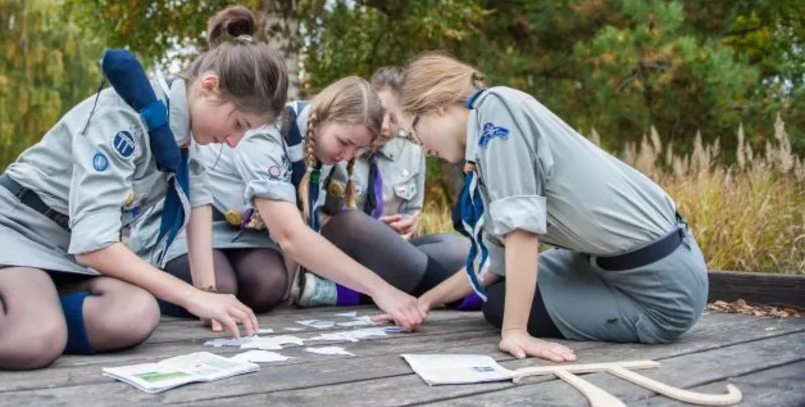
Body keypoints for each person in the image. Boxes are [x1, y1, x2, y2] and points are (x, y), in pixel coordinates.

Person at [0, 5, 288, 366]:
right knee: (33, 337)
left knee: (134, 314)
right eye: (238, 124)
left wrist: (209, 299)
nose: (235, 141)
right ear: (209, 86)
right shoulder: (128, 113)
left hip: (58, 252)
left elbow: (198, 208)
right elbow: (95, 246)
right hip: (6, 223)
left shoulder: (191, 141)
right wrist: (192, 297)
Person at [401, 52, 708, 363]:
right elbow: (494, 263)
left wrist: (515, 331)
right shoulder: (485, 141)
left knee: (499, 305)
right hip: (607, 264)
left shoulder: (495, 113)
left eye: (415, 132)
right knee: (501, 292)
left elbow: (521, 231)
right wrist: (424, 302)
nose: (424, 150)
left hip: (661, 291)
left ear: (435, 104)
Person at [138, 77, 426, 330]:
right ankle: (151, 284)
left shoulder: (323, 150)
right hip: (192, 228)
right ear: (324, 116)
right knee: (222, 287)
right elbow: (290, 236)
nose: (347, 155)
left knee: (269, 285)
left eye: (357, 149)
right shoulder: (267, 135)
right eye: (343, 142)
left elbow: (306, 218)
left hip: (243, 235)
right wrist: (378, 288)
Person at [292, 66, 471, 308]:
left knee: (461, 250)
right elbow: (310, 213)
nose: (385, 126)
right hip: (334, 245)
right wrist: (370, 230)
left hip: (385, 253)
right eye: (380, 114)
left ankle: (342, 294)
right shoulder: (337, 142)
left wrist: (395, 231)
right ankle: (464, 297)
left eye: (395, 119)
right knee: (354, 223)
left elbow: (411, 211)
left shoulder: (412, 151)